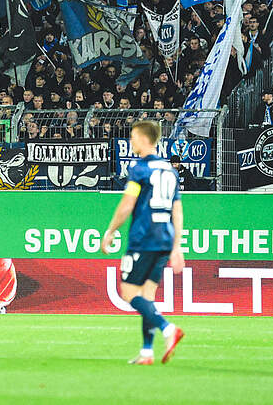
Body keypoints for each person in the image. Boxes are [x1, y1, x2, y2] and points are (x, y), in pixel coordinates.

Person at [100, 120, 185, 365]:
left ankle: (168, 329)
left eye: (133, 137)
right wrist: (177, 246)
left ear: (144, 138)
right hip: (164, 238)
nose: (131, 141)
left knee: (128, 293)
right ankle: (147, 352)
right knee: (147, 295)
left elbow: (127, 204)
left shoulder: (139, 169)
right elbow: (177, 211)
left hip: (144, 237)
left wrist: (111, 230)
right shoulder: (170, 171)